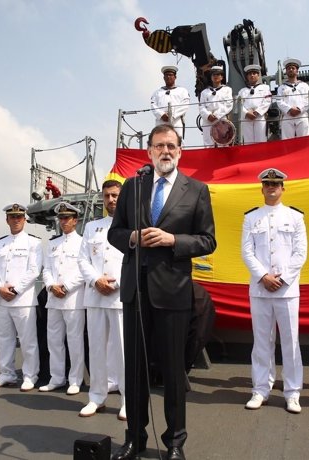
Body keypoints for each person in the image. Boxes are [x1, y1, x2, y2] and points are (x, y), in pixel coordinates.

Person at [108, 124, 216, 460]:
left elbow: (208, 240)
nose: (165, 151)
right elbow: (115, 233)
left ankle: (174, 444)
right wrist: (133, 238)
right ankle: (134, 440)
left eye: (171, 146)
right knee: (135, 372)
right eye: (158, 146)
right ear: (149, 152)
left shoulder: (196, 190)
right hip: (136, 292)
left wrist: (173, 241)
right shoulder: (132, 187)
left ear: (180, 151)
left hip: (173, 292)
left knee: (172, 373)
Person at [241, 168, 307, 414]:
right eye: (267, 183)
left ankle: (292, 392)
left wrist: (283, 278)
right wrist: (263, 276)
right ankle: (260, 389)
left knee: (291, 342)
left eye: (275, 183)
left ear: (283, 188)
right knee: (261, 342)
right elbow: (247, 251)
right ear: (261, 188)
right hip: (260, 289)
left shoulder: (295, 217)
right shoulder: (251, 218)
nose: (271, 187)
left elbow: (300, 253)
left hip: (287, 291)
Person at [77, 181, 126, 419]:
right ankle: (97, 397)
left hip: (119, 297)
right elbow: (82, 260)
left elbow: (136, 260)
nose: (111, 199)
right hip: (95, 296)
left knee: (122, 351)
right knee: (96, 349)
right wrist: (97, 280)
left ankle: (128, 399)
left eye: (115, 195)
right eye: (107, 196)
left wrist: (115, 283)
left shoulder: (131, 225)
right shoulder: (91, 228)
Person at [0, 203, 42, 392]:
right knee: (4, 339)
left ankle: (30, 375)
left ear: (24, 219)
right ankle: (6, 374)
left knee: (28, 340)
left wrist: (16, 290)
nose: (16, 220)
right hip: (2, 299)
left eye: (19, 217)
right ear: (7, 220)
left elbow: (34, 270)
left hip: (23, 300)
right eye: (12, 217)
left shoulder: (34, 243)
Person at [40, 202, 85, 395]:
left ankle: (75, 379)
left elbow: (84, 270)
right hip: (54, 299)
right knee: (54, 340)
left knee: (74, 341)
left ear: (75, 221)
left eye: (67, 218)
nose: (63, 221)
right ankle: (57, 377)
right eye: (61, 218)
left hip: (73, 298)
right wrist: (51, 285)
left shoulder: (83, 242)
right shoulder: (52, 244)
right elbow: (47, 269)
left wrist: (65, 287)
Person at [151, 66, 190, 140]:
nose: (168, 77)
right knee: (161, 141)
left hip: (176, 121)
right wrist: (161, 114)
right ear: (164, 77)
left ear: (175, 77)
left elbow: (185, 105)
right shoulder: (157, 92)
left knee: (177, 142)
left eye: (171, 75)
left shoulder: (182, 91)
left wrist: (172, 115)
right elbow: (153, 105)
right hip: (161, 121)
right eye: (166, 75)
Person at [198, 65, 233, 147]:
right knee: (208, 145)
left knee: (223, 143)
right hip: (208, 121)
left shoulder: (227, 90)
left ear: (222, 77)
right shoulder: (204, 92)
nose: (215, 76)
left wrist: (216, 115)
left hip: (221, 119)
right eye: (213, 75)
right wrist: (208, 115)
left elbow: (228, 104)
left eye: (218, 75)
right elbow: (201, 107)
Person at [237, 64, 271, 144]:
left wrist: (257, 112)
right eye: (249, 74)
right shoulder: (242, 91)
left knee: (261, 140)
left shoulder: (265, 88)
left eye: (254, 73)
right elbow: (238, 105)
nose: (252, 75)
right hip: (246, 118)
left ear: (258, 76)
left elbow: (267, 101)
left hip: (259, 117)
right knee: (248, 142)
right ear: (247, 76)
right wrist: (246, 113)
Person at [277, 58, 309, 139]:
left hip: (301, 116)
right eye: (288, 68)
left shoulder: (304, 86)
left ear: (297, 71)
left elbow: (307, 100)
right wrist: (289, 109)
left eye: (293, 68)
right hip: (287, 117)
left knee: (304, 141)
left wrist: (298, 109)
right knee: (287, 142)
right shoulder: (281, 87)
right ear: (286, 71)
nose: (291, 70)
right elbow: (279, 101)